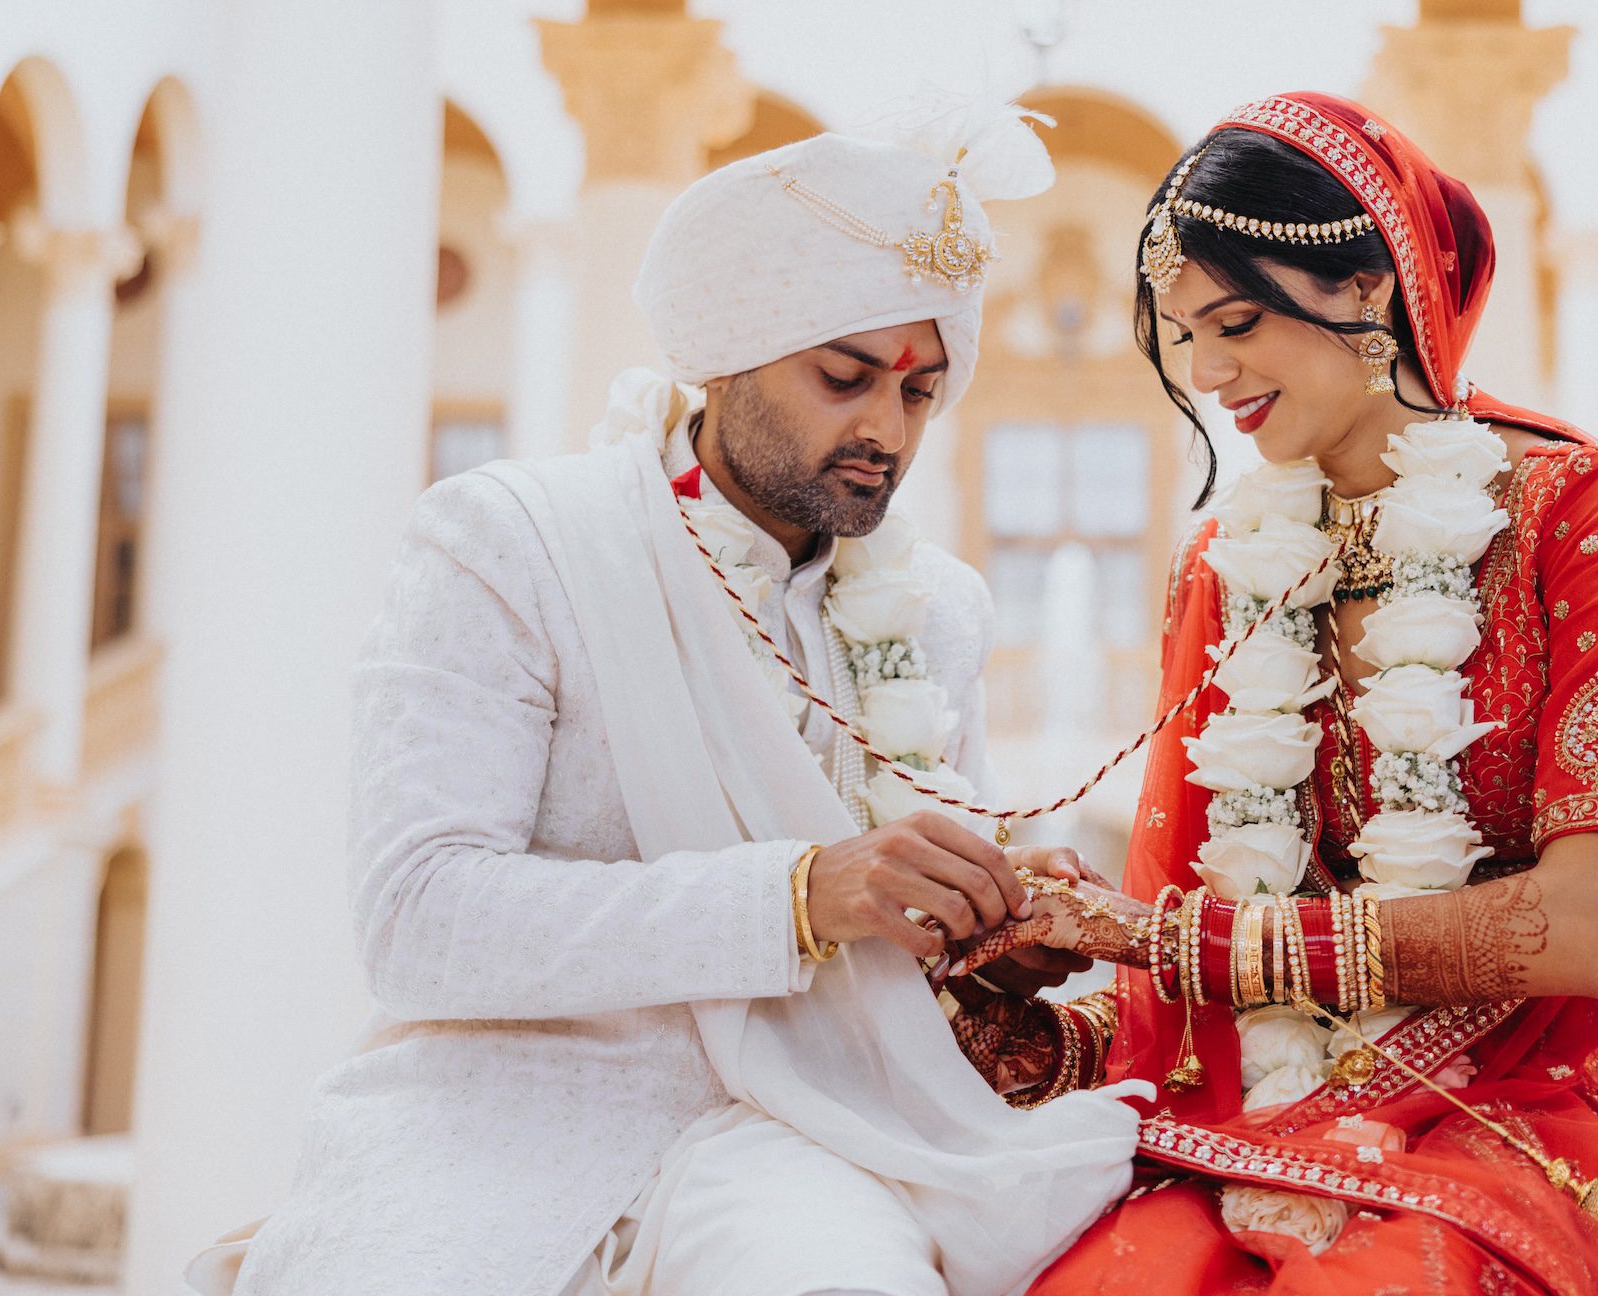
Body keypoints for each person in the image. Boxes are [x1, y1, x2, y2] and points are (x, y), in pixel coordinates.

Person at [948, 93, 1598, 1295]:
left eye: (1237, 321)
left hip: (1536, 1099)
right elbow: (1183, 969)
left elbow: (1591, 930)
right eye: (1183, 335)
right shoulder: (1225, 567)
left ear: (1363, 289)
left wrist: (1159, 937)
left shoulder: (1584, 513)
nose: (1207, 373)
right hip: (1273, 1108)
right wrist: (1033, 987)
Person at [186, 105, 1141, 1296]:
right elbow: (419, 922)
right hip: (510, 1114)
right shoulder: (514, 542)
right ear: (726, 351)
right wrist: (798, 893)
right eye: (844, 376)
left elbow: (899, 929)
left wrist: (989, 932)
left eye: (920, 392)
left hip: (816, 1132)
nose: (883, 431)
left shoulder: (934, 612)